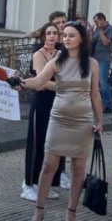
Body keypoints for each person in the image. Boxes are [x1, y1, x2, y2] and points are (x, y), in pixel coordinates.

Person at [20, 21, 104, 221]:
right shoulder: (57, 61)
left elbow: (95, 93)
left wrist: (100, 121)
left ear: (81, 39)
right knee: (48, 165)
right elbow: (38, 81)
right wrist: (18, 82)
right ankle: (39, 210)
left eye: (70, 35)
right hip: (58, 119)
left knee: (78, 169)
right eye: (63, 35)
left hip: (83, 121)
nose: (65, 39)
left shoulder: (92, 63)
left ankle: (71, 213)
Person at [23, 23, 65, 202]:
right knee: (38, 142)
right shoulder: (38, 54)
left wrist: (58, 85)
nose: (52, 36)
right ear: (43, 36)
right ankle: (29, 184)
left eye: (54, 33)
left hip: (57, 103)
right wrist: (61, 86)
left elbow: (63, 80)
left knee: (54, 143)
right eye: (48, 33)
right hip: (41, 104)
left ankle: (46, 183)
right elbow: (41, 81)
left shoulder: (62, 55)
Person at [92, 12, 112, 113]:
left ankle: (108, 105)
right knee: (93, 82)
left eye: (97, 22)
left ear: (102, 20)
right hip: (95, 58)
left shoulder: (110, 29)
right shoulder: (96, 29)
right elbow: (92, 41)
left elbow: (106, 42)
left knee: (103, 82)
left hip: (104, 58)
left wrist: (101, 29)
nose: (96, 24)